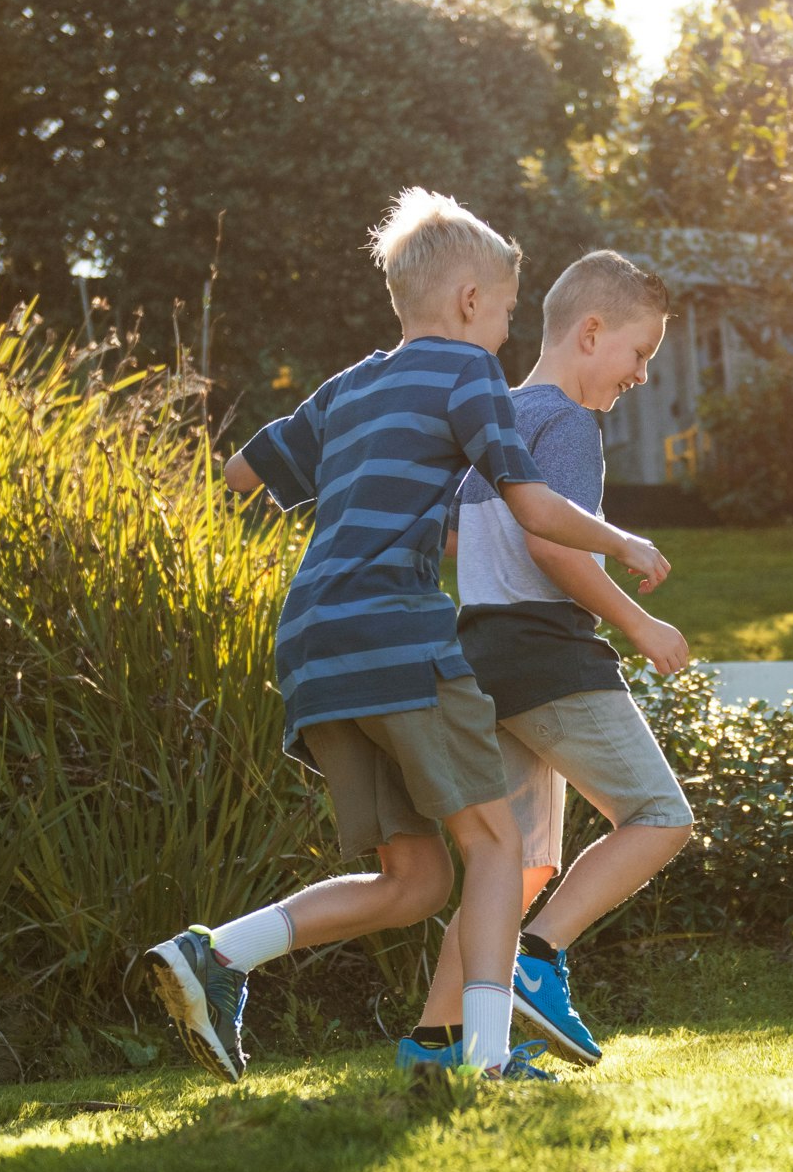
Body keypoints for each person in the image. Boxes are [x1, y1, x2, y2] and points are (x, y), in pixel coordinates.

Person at [141, 191, 670, 1084]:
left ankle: (217, 954)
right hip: (395, 633)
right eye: (506, 312)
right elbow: (535, 507)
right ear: (470, 301)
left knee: (416, 881)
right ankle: (486, 1063)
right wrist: (624, 542)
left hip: (313, 644)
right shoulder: (469, 375)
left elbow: (238, 474)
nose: (506, 333)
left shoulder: (349, 386)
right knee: (498, 848)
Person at [398, 249, 696, 1075]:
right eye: (639, 352)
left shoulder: (495, 419)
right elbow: (551, 545)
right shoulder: (566, 421)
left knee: (516, 866)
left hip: (485, 659)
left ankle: (438, 1044)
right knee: (660, 815)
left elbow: (457, 537)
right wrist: (639, 622)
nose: (641, 375)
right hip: (547, 654)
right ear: (590, 332)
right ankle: (538, 957)